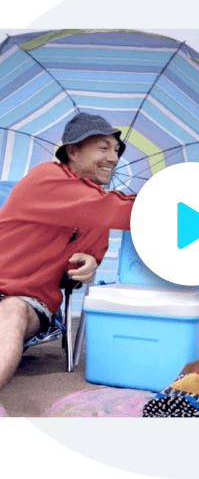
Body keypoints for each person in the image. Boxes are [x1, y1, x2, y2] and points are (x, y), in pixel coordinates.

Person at [0, 112, 135, 390]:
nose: (113, 158)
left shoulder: (98, 212)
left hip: (27, 303)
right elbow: (131, 211)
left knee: (13, 309)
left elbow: (82, 262)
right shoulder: (46, 177)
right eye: (103, 148)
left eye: (116, 150)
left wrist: (89, 264)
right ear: (72, 151)